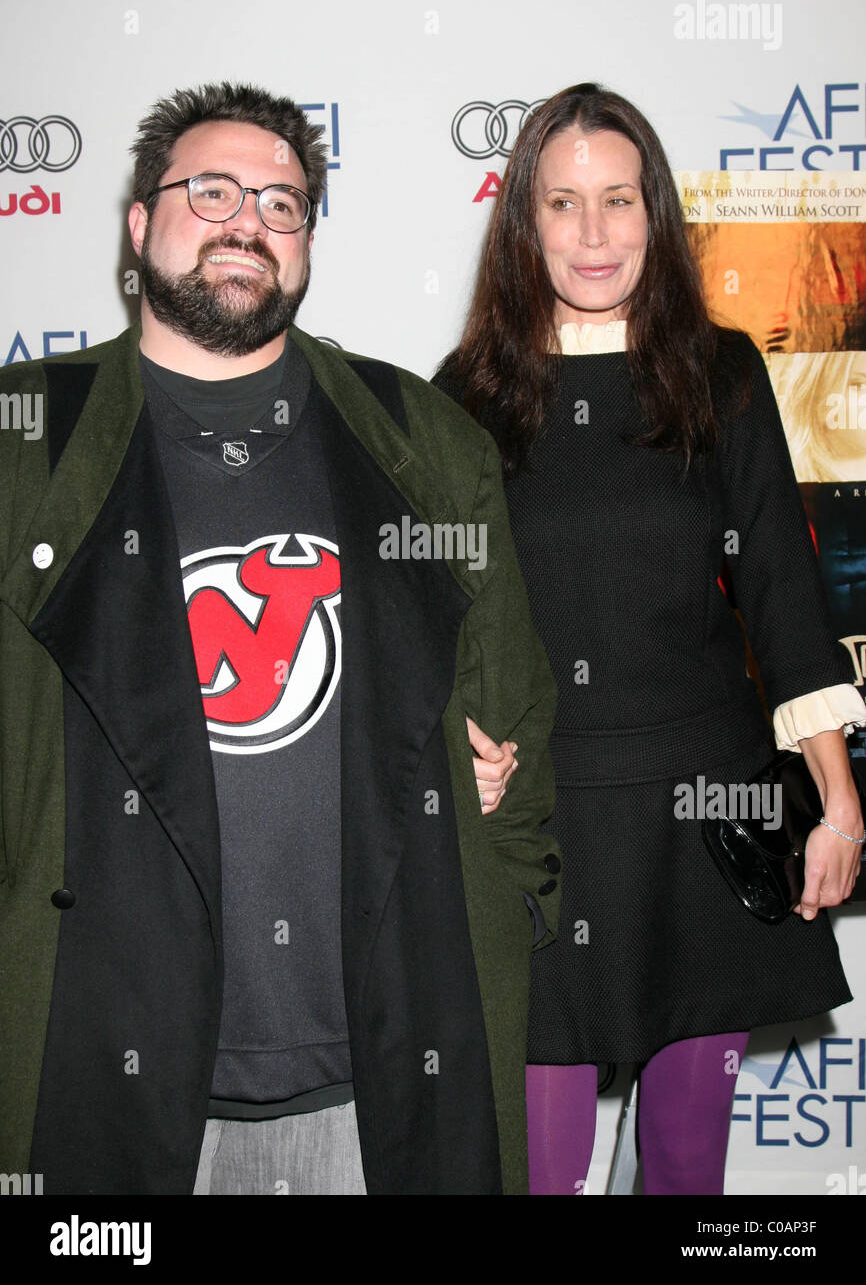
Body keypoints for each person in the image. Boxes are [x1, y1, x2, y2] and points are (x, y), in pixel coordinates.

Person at [0, 82, 561, 1196]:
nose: (245, 219)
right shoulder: (24, 441)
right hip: (97, 1062)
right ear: (136, 221)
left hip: (381, 1073)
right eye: (209, 190)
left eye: (281, 201)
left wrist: (499, 862)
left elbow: (520, 709)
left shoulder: (417, 435)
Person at [435, 83, 866, 1196]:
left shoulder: (716, 374)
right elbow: (436, 618)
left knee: (684, 1166)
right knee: (537, 1165)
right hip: (541, 820)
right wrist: (461, 741)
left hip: (705, 813)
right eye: (562, 203)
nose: (591, 234)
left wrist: (836, 798)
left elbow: (782, 593)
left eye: (617, 201)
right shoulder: (466, 398)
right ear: (523, 224)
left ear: (653, 213)